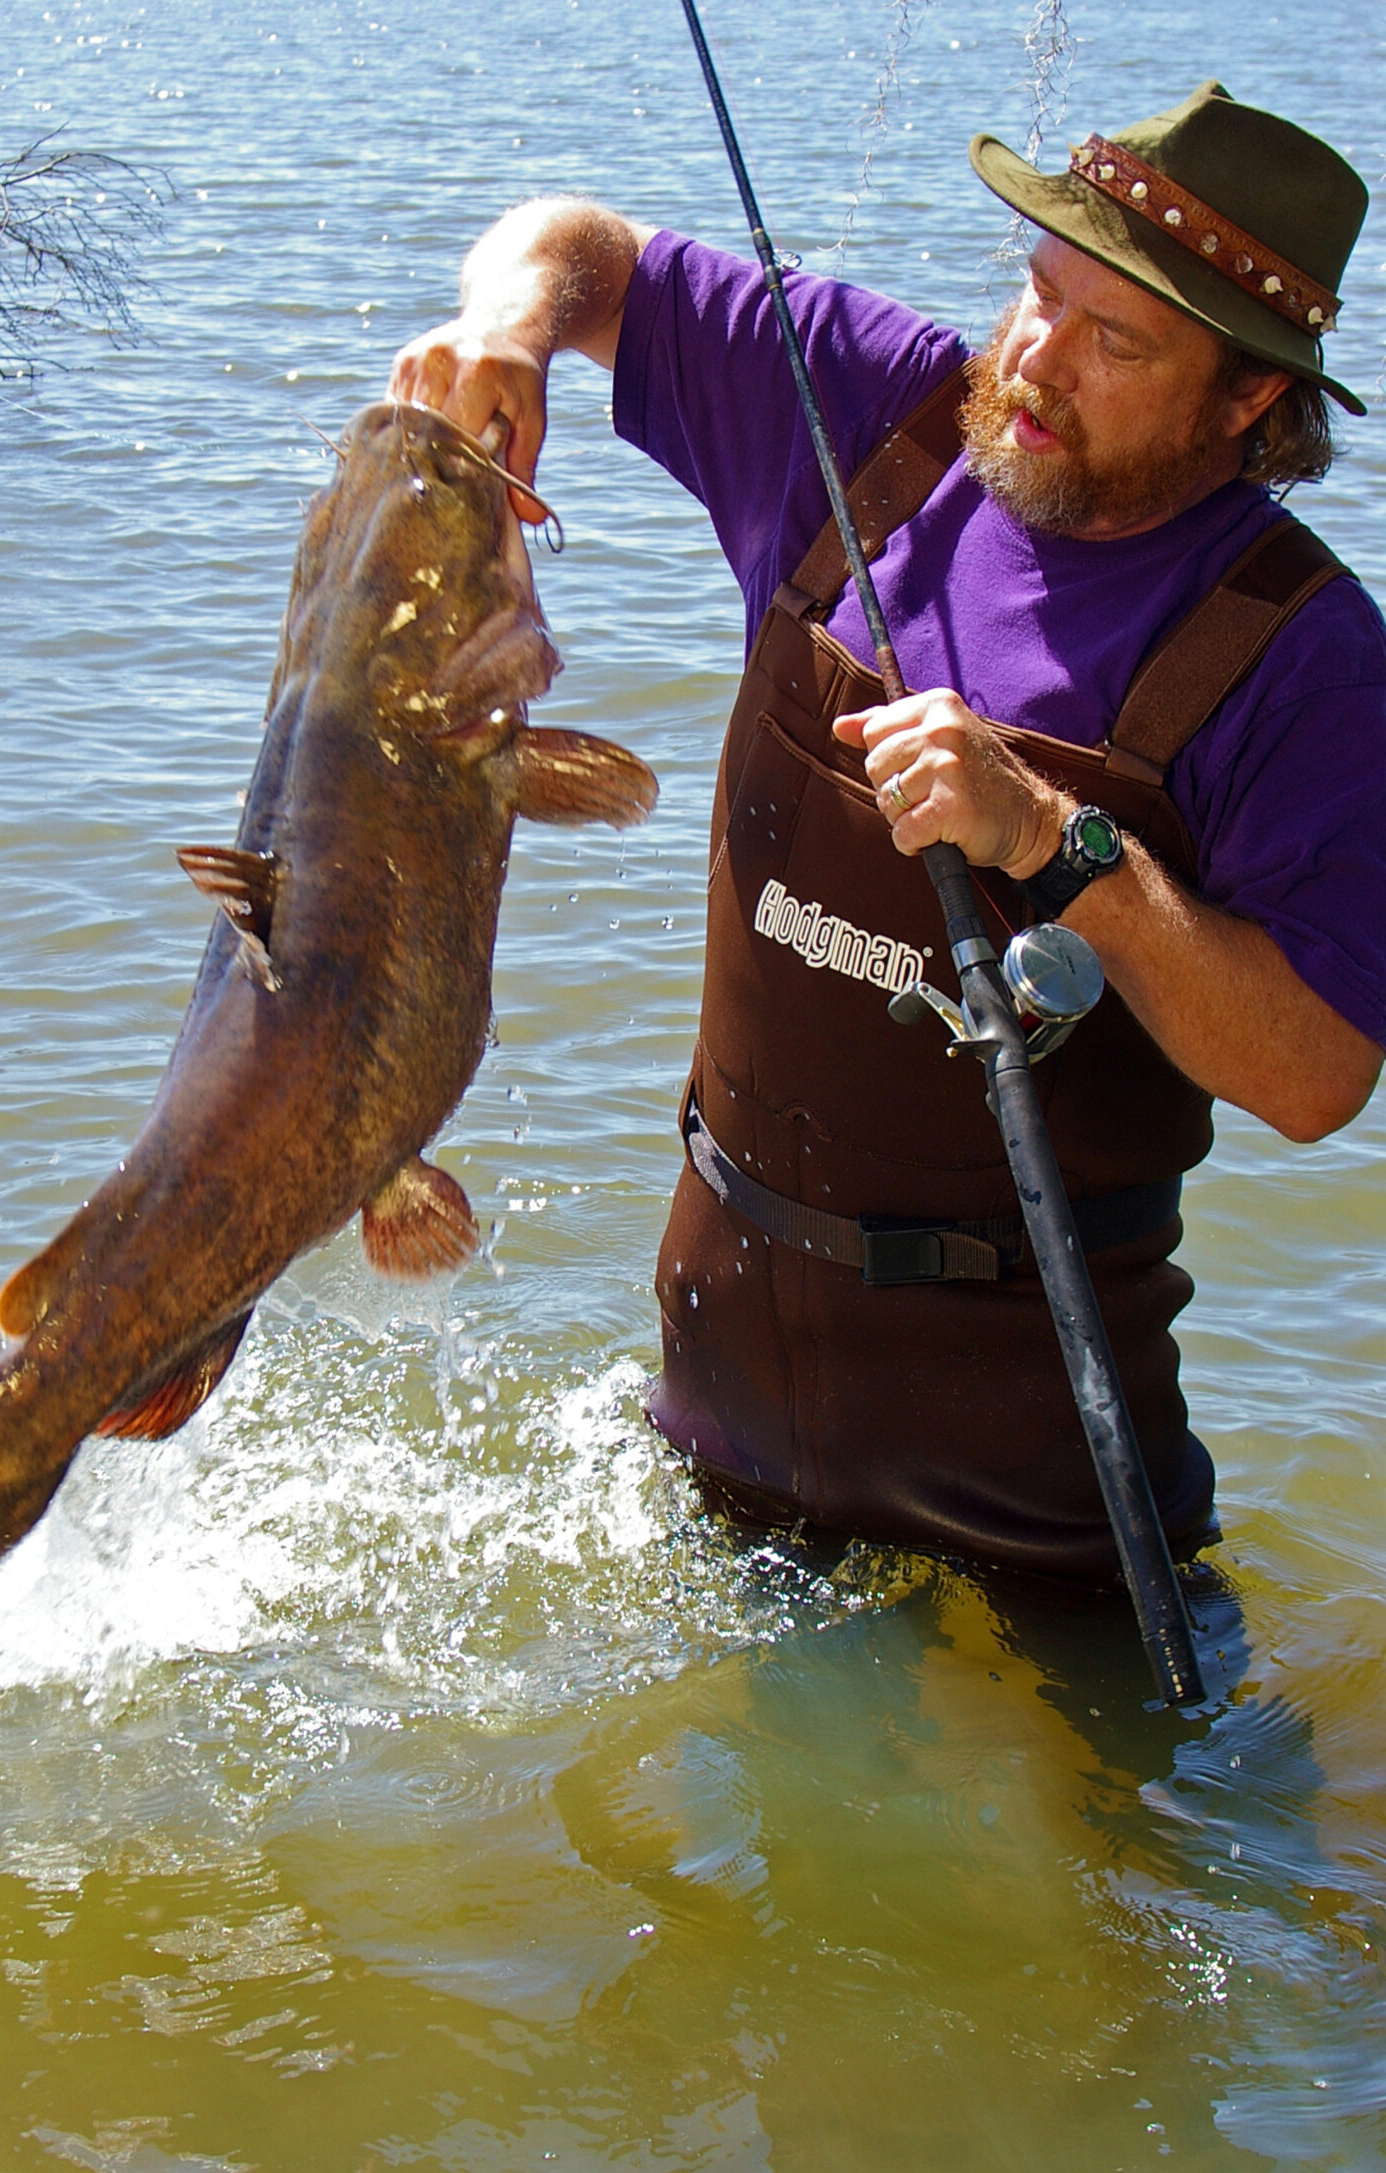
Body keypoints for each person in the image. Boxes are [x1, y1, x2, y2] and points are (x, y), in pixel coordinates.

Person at [388, 80, 1386, 1585]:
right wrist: (509, 327)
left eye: (1116, 342)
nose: (1037, 358)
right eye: (1040, 294)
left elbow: (1312, 1076)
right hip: (720, 1378)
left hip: (1038, 1457)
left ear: (1246, 398)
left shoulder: (1304, 658)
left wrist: (1060, 843)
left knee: (1117, 1819)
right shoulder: (870, 409)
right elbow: (577, 245)